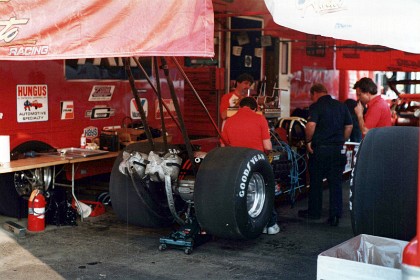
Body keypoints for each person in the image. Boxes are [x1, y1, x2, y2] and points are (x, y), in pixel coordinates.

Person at [221, 97, 280, 234]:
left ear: (240, 107)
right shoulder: (260, 119)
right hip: (256, 163)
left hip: (235, 164)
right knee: (266, 191)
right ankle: (270, 225)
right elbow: (267, 146)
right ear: (255, 108)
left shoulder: (228, 122)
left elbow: (223, 146)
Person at [298, 84, 353, 226]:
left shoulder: (316, 106)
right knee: (336, 183)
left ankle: (314, 212)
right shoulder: (341, 106)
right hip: (337, 150)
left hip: (321, 150)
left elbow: (310, 125)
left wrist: (308, 141)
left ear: (315, 93)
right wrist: (342, 140)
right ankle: (334, 216)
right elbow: (349, 126)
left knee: (316, 181)